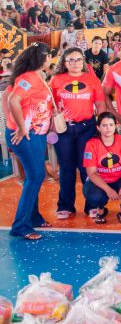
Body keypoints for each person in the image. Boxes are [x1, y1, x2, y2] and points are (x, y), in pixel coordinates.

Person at [50, 47, 106, 219]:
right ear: (64, 63)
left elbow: (100, 104)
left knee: (86, 167)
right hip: (64, 130)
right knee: (66, 167)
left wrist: (102, 126)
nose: (75, 63)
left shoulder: (92, 79)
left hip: (87, 128)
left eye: (78, 59)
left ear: (83, 61)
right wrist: (52, 125)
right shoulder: (56, 80)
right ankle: (65, 206)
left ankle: (92, 205)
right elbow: (50, 105)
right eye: (71, 60)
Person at [4, 43, 54, 240]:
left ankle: (34, 217)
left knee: (36, 176)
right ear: (43, 58)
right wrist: (21, 127)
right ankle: (21, 226)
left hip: (36, 135)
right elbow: (12, 100)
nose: (51, 59)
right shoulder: (28, 78)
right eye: (49, 56)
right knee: (35, 176)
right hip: (26, 136)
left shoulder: (38, 76)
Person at [82, 112, 121, 224]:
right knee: (95, 197)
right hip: (101, 180)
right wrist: (108, 189)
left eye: (111, 125)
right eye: (104, 125)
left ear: (116, 126)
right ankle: (100, 210)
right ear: (98, 127)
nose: (108, 128)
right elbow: (91, 173)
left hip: (120, 178)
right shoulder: (91, 144)